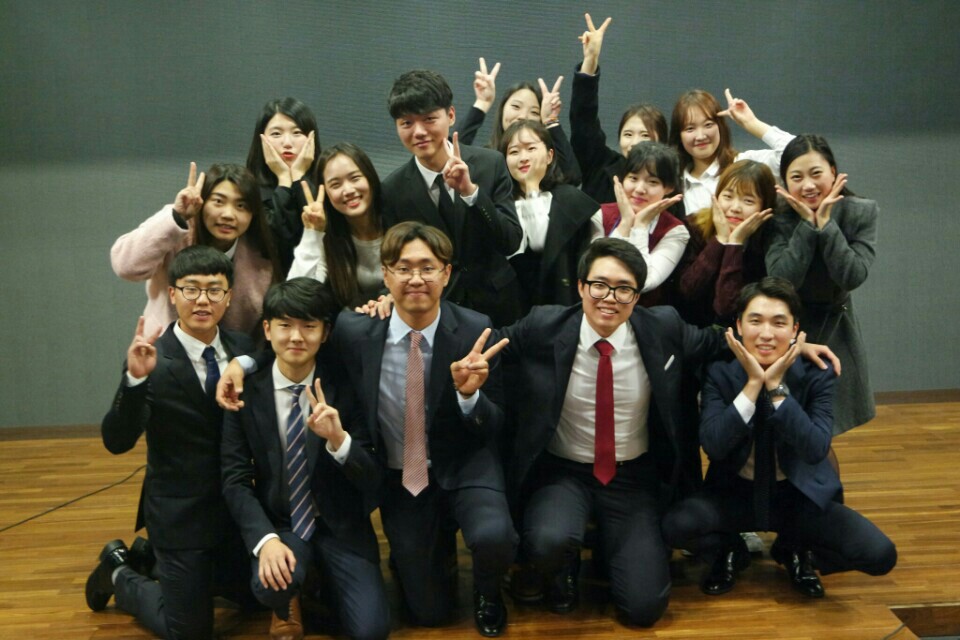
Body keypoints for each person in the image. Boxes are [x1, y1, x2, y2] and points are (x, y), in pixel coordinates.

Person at [218, 222, 518, 637]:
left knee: (495, 535)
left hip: (464, 463)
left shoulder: (475, 328)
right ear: (385, 275)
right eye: (403, 268)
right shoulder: (355, 330)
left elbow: (493, 424)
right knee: (428, 612)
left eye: (427, 268)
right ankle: (425, 560)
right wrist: (243, 363)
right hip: (402, 476)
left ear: (446, 273)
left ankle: (487, 590)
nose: (416, 278)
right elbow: (296, 341)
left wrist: (469, 396)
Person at [661, 277, 896, 597]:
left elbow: (815, 448)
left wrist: (776, 389)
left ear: (796, 330)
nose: (767, 333)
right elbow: (714, 445)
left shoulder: (817, 371)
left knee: (880, 554)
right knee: (674, 525)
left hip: (797, 497)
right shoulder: (719, 370)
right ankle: (729, 551)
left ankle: (795, 550)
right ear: (739, 326)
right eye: (755, 321)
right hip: (734, 494)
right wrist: (752, 386)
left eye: (779, 323)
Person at [87, 246, 255, 639]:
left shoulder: (244, 348)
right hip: (180, 514)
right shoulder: (152, 358)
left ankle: (152, 559)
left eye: (214, 290)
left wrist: (247, 363)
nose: (203, 300)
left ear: (229, 296)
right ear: (173, 294)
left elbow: (262, 362)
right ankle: (119, 571)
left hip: (233, 511)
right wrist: (135, 380)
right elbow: (116, 441)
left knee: (259, 598)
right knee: (190, 631)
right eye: (191, 289)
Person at [220, 278, 389, 640]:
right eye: (285, 325)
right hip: (282, 522)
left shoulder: (346, 387)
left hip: (341, 524)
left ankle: (314, 581)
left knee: (371, 632)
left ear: (325, 333)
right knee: (270, 587)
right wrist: (265, 540)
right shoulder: (245, 392)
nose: (296, 337)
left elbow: (373, 478)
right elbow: (235, 480)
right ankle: (295, 588)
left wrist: (339, 440)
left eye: (309, 326)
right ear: (267, 330)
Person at [381, 68, 523, 327]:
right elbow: (395, 257)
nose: (419, 131)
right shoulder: (393, 189)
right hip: (436, 315)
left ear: (451, 115)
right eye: (407, 123)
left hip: (499, 308)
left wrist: (471, 192)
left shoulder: (489, 164)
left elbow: (510, 242)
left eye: (429, 119)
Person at [765, 134, 877, 435]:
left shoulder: (859, 211)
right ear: (785, 182)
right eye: (796, 177)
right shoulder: (777, 218)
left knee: (822, 428)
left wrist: (825, 225)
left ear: (833, 171)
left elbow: (852, 276)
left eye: (816, 173)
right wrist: (807, 225)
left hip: (836, 328)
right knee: (785, 425)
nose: (808, 185)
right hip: (785, 331)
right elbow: (781, 281)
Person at [111, 162, 279, 338]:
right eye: (218, 201)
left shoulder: (259, 254)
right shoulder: (174, 230)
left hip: (228, 352)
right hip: (162, 346)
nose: (228, 214)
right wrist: (177, 217)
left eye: (241, 206)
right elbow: (126, 266)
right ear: (203, 202)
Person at [498, 118, 602, 311]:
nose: (523, 157)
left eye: (531, 148)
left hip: (563, 304)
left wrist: (532, 187)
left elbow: (540, 243)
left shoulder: (572, 199)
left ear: (549, 155)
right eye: (514, 152)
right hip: (513, 306)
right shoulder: (500, 205)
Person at [570, 13, 669, 205]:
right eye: (628, 134)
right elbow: (583, 120)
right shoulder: (601, 165)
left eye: (645, 135)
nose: (635, 143)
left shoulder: (671, 181)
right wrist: (590, 60)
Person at [677, 159, 776, 327]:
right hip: (689, 327)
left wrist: (735, 245)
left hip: (740, 331)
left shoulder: (769, 239)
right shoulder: (694, 226)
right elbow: (688, 291)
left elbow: (726, 308)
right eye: (728, 197)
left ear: (765, 207)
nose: (735, 208)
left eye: (748, 201)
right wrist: (720, 240)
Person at [287, 143, 385, 309]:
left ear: (370, 177)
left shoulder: (398, 217)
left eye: (355, 178)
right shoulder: (329, 238)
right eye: (335, 185)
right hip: (356, 321)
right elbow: (295, 298)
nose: (348, 190)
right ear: (325, 193)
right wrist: (312, 233)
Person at [669, 87, 794, 216]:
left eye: (708, 125)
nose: (700, 136)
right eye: (690, 129)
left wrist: (751, 122)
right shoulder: (674, 185)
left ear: (720, 127)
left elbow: (797, 153)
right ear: (679, 135)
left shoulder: (744, 165)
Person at [454, 58, 582, 184]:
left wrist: (551, 120)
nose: (523, 117)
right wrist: (482, 103)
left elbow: (572, 177)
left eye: (534, 112)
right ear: (502, 109)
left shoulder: (543, 162)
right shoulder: (486, 159)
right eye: (516, 106)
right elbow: (451, 155)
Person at [601, 142, 689, 304]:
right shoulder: (600, 215)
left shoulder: (676, 231)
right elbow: (598, 271)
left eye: (652, 182)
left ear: (669, 188)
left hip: (642, 313)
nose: (640, 189)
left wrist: (640, 226)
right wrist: (626, 223)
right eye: (633, 178)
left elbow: (644, 282)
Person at [246, 97, 321, 272]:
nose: (287, 143)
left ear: (311, 138)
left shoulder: (328, 182)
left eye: (297, 133)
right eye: (276, 134)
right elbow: (276, 244)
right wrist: (284, 179)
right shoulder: (248, 189)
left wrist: (298, 176)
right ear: (261, 140)